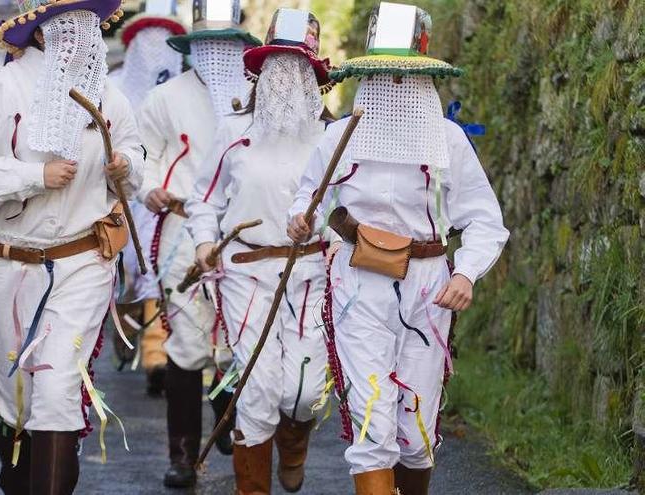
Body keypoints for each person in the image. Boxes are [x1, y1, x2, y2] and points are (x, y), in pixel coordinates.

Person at [287, 3, 509, 494]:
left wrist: (465, 273)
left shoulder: (449, 141)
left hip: (429, 289)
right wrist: (300, 221)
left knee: (416, 430)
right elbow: (308, 197)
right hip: (355, 283)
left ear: (424, 75)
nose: (394, 85)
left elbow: (485, 221)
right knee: (371, 416)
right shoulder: (338, 136)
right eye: (384, 74)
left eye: (404, 74)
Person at [0, 0, 144, 492]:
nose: (84, 36)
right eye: (70, 26)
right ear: (39, 33)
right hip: (4, 262)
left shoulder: (111, 97)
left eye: (89, 26)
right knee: (16, 397)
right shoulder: (0, 89)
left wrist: (126, 167)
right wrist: (34, 176)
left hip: (81, 261)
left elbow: (137, 157)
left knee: (57, 388)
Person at [186, 10, 335, 493]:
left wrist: (329, 234)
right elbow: (203, 199)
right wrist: (206, 243)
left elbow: (346, 210)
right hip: (245, 273)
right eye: (277, 64)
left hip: (311, 274)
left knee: (304, 391)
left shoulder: (331, 138)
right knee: (256, 389)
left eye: (297, 65)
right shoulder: (234, 132)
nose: (286, 77)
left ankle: (295, 441)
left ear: (314, 75)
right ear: (261, 68)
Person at [136, 0, 261, 487]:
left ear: (241, 45)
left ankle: (231, 420)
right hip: (184, 232)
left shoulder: (260, 98)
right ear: (191, 47)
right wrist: (150, 189)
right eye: (206, 44)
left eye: (226, 44)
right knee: (187, 342)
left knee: (240, 337)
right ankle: (183, 456)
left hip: (245, 236)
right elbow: (144, 156)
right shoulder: (165, 99)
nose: (216, 54)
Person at [108, 0, 187, 393]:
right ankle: (127, 323)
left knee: (160, 269)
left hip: (162, 193)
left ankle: (160, 355)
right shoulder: (113, 86)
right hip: (120, 194)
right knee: (128, 271)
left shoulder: (183, 89)